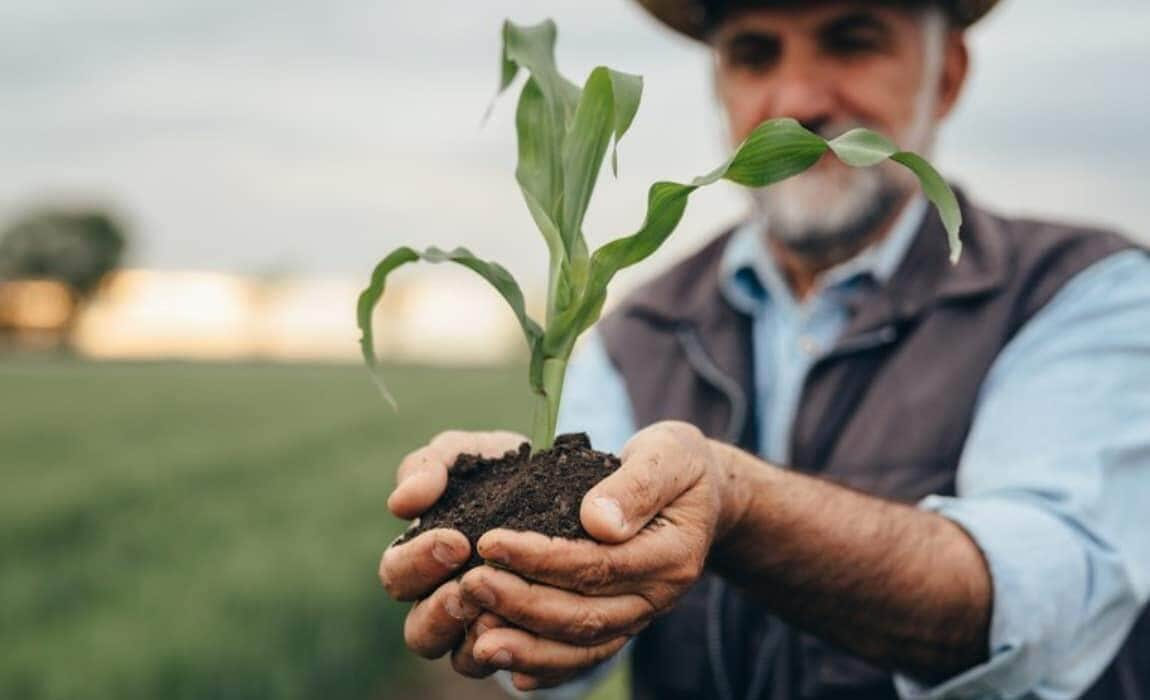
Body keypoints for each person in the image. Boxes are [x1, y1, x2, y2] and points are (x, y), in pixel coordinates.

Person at [379, 1, 1150, 697]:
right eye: (754, 55)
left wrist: (738, 503)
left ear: (944, 76)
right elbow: (567, 653)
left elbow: (1051, 600)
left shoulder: (1080, 291)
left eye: (851, 42)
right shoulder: (639, 332)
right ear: (719, 85)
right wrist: (501, 574)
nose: (797, 102)